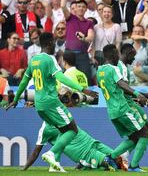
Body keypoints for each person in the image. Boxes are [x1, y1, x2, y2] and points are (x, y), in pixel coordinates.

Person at [6, 32, 97, 172]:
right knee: (72, 129)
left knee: (62, 130)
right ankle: (52, 154)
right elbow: (61, 77)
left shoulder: (34, 60)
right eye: (53, 42)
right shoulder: (50, 59)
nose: (55, 44)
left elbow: (24, 81)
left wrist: (16, 99)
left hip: (39, 105)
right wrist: (82, 89)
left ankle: (55, 165)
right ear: (49, 43)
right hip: (51, 102)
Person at [96, 44, 148, 172]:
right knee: (144, 133)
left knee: (134, 138)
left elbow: (101, 86)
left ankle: (110, 158)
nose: (119, 56)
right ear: (113, 54)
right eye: (117, 53)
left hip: (112, 112)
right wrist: (137, 94)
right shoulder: (114, 69)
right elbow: (121, 83)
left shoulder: (99, 71)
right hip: (123, 109)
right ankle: (134, 166)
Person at [23, 122, 119, 172]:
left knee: (118, 159)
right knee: (111, 162)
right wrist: (25, 168)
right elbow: (36, 151)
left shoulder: (61, 114)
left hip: (89, 143)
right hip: (84, 150)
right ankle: (88, 164)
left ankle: (87, 165)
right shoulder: (46, 129)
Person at [61, 0, 95, 84]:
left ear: (86, 9)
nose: (81, 8)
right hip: (69, 53)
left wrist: (84, 38)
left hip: (82, 55)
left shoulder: (89, 23)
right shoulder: (70, 18)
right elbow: (62, 5)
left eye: (83, 6)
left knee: (86, 80)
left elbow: (90, 37)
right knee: (66, 80)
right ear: (75, 9)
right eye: (79, 6)